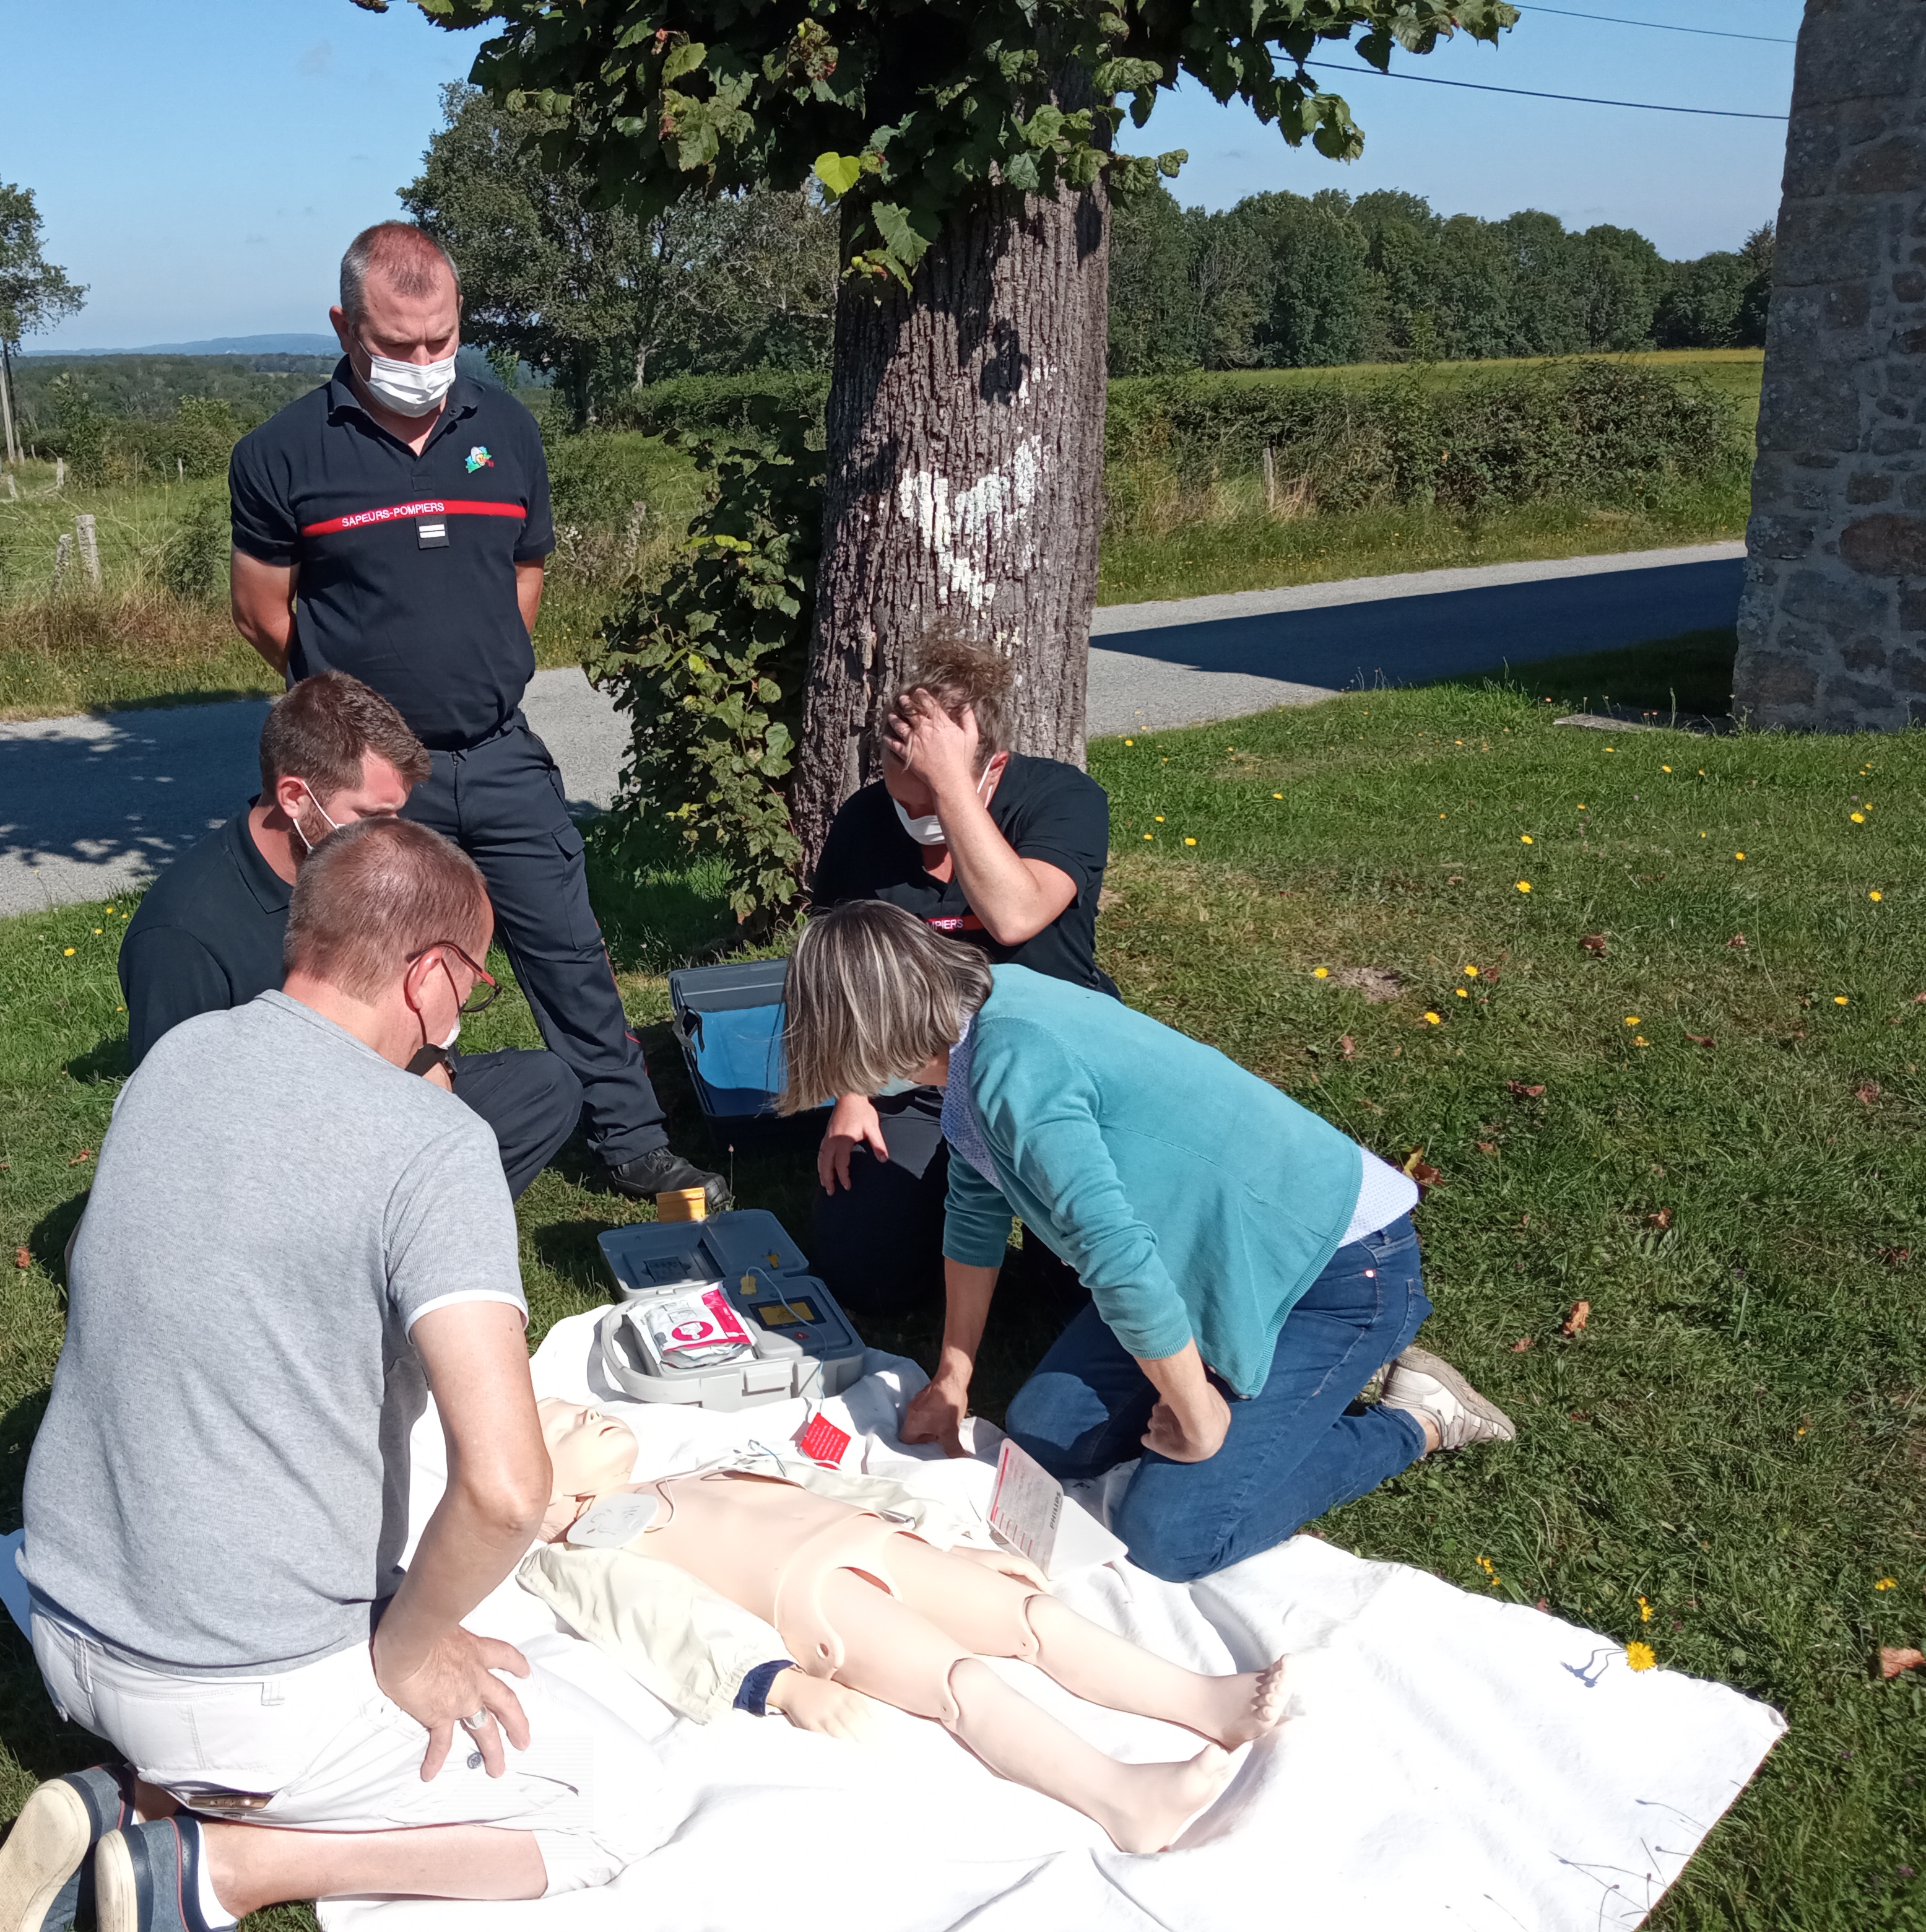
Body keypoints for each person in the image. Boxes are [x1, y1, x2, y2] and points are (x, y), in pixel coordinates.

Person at [0, 819, 669, 1932]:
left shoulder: (179, 1058)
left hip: (64, 1615)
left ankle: (129, 1794)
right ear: (431, 978)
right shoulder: (431, 1145)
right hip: (223, 1689)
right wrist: (412, 1653)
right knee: (628, 1805)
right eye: (474, 989)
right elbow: (505, 1486)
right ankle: (217, 1865)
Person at [778, 901, 1517, 1586]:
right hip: (1210, 1261)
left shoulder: (1015, 1069)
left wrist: (1194, 1408)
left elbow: (1117, 1259)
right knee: (1043, 1441)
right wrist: (952, 1377)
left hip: (1336, 1271)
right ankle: (1237, 1381)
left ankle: (1416, 1419)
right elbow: (974, 1209)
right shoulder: (976, 1027)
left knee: (1172, 1536)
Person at [227, 219, 728, 1210]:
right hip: (369, 780)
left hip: (499, 755)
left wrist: (492, 660)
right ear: (343, 327)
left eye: (441, 341)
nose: (424, 364)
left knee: (568, 948)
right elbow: (260, 609)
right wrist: (358, 717)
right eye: (398, 346)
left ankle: (630, 1142)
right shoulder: (281, 454)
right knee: (369, 960)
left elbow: (527, 565)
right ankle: (356, 1152)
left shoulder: (506, 429)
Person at [518, 1398, 1295, 1855]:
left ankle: (1204, 1701)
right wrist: (772, 1683)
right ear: (543, 1495)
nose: (587, 1414)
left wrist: (950, 1538)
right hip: (815, 1598)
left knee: (1033, 1616)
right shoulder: (582, 1548)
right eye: (561, 1430)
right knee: (960, 1681)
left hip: (875, 1541)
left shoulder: (702, 1468)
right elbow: (662, 1621)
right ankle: (1122, 1798)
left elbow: (828, 1482)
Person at [117, 669, 578, 1199]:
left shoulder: (354, 867)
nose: (388, 834)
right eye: (371, 815)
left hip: (380, 1084)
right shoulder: (183, 936)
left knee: (546, 1087)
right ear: (294, 796)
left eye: (398, 815)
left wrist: (434, 1065)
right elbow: (173, 1130)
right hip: (275, 1155)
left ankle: (424, 1233)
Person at [807, 633, 1114, 1313]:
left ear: (992, 768)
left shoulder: (1063, 799)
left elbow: (1013, 917)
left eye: (933, 801)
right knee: (864, 1277)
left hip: (1052, 1071)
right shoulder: (861, 824)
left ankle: (1038, 1240)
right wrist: (850, 1094)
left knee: (1083, 1295)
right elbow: (842, 976)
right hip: (921, 1074)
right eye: (903, 802)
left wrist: (952, 794)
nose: (919, 820)